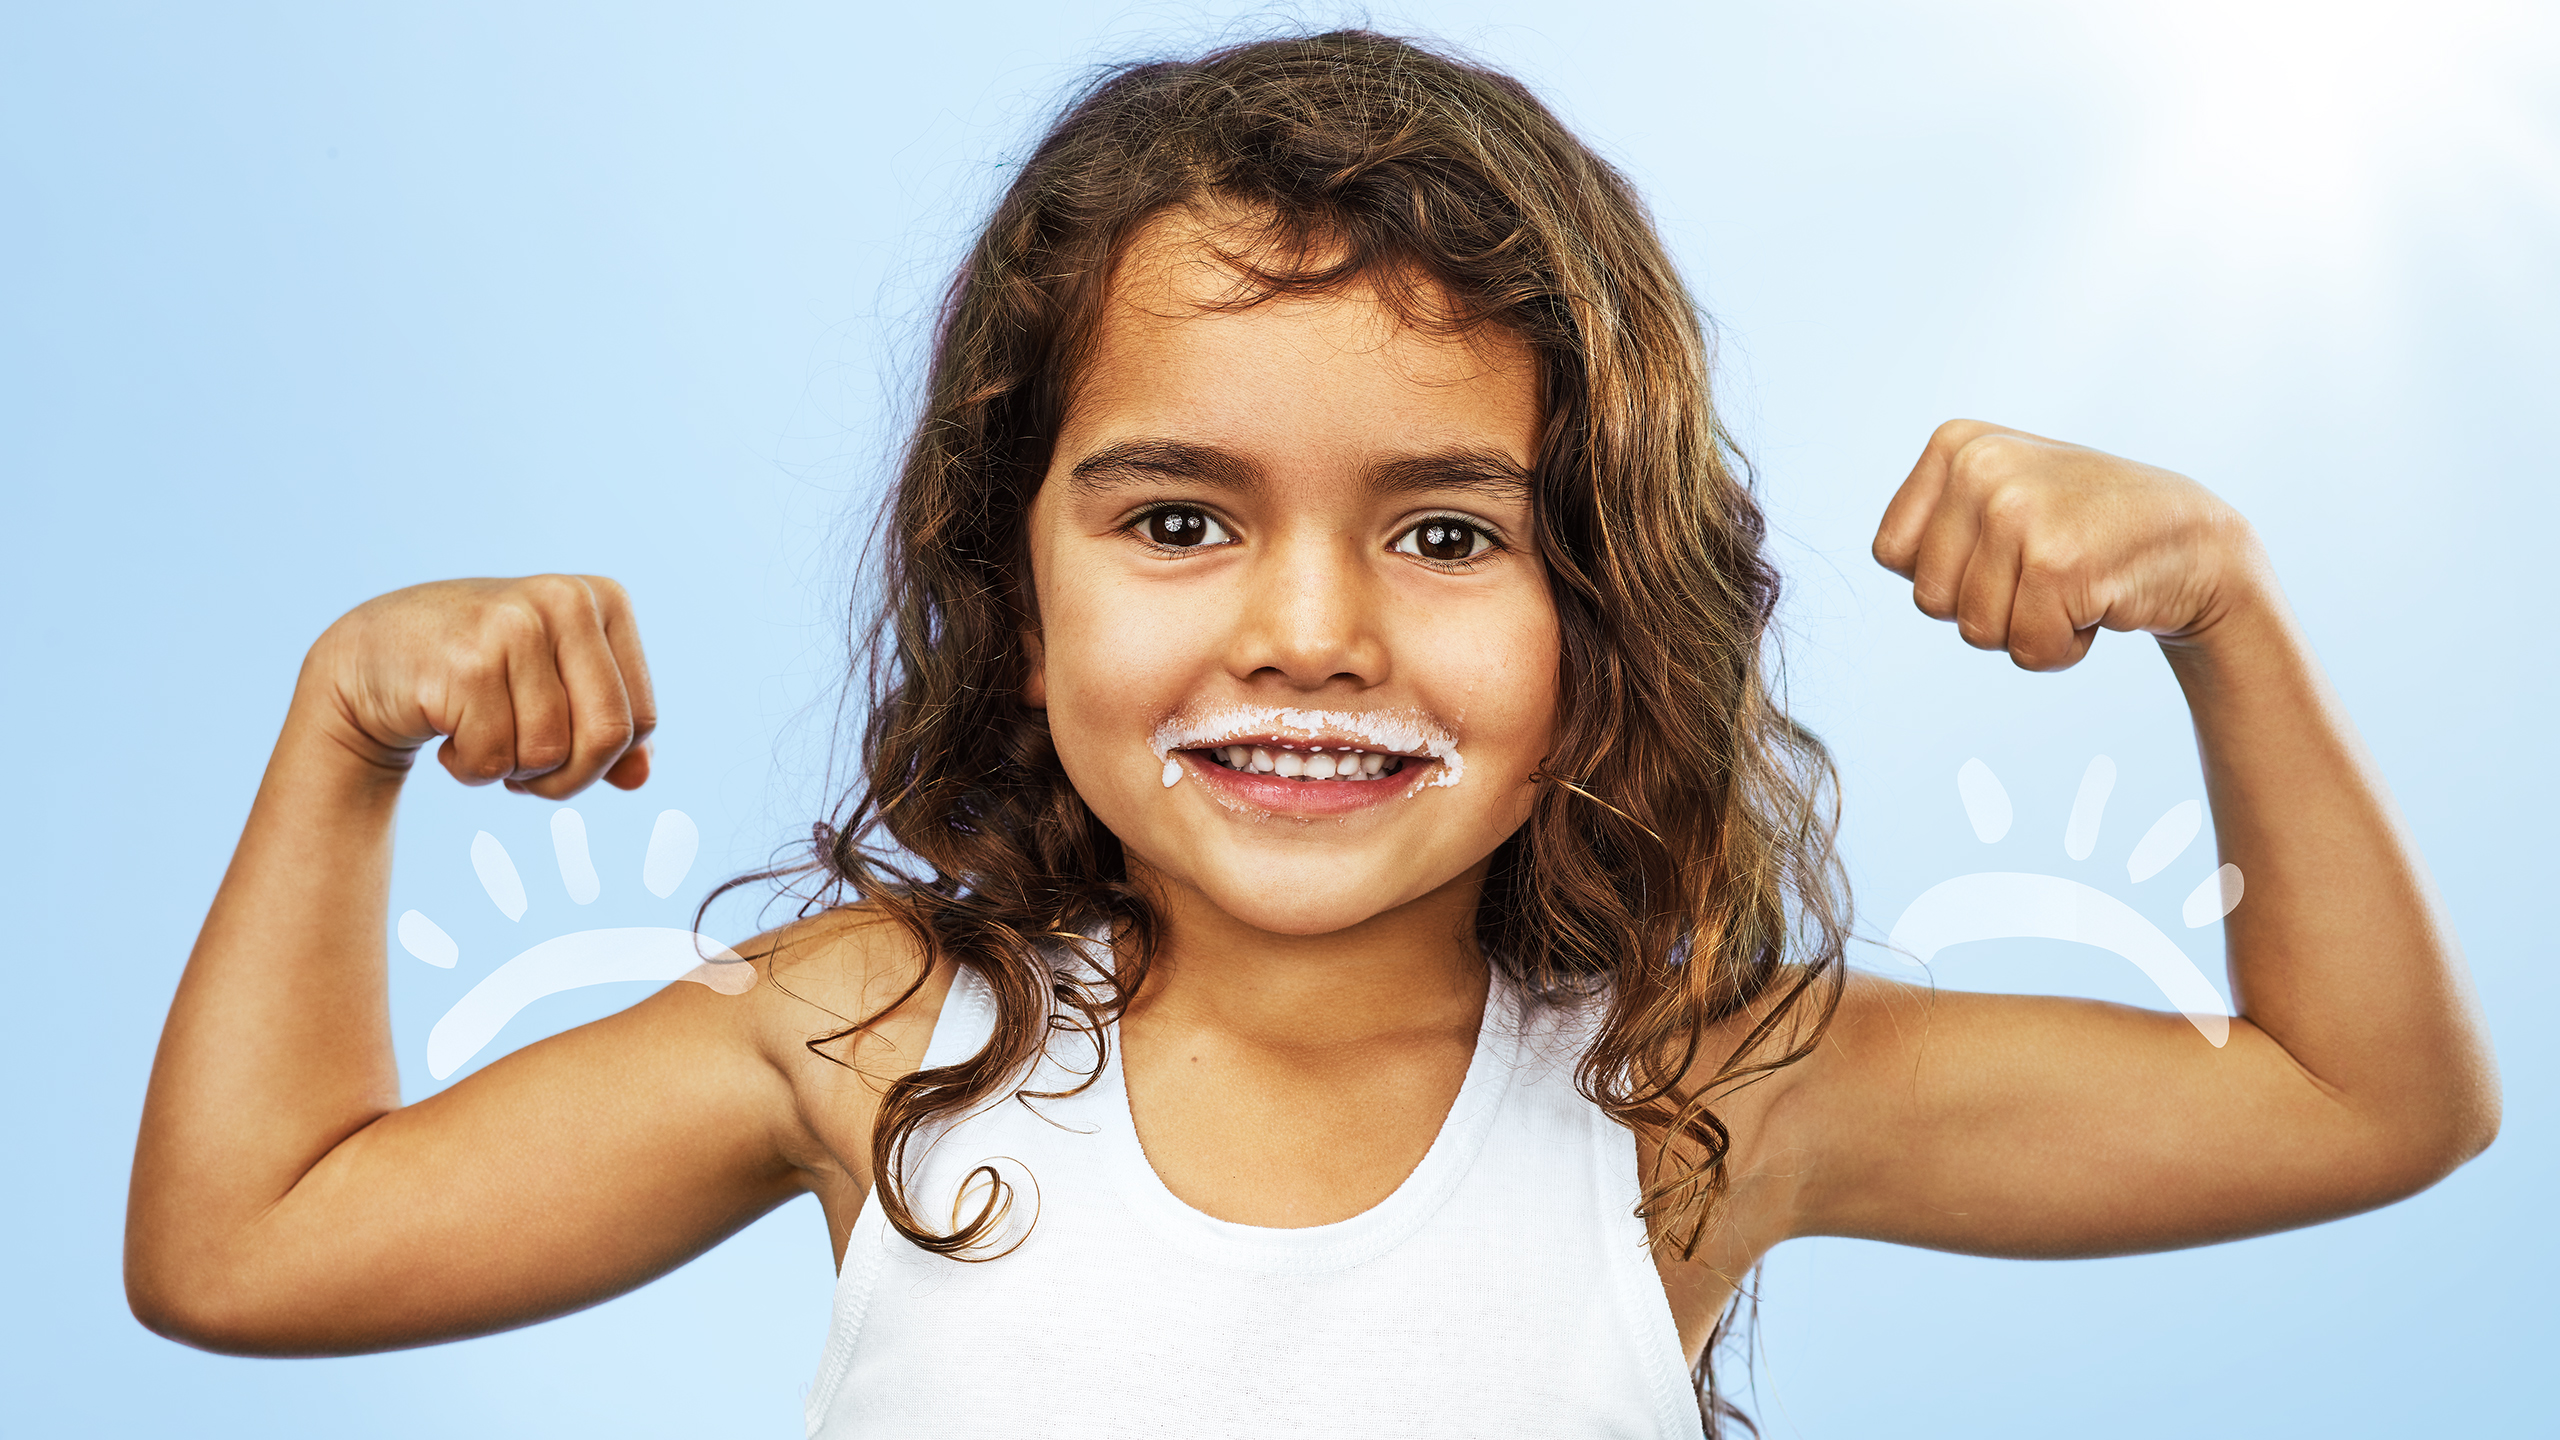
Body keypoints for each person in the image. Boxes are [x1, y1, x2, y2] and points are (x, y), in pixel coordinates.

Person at [125, 30, 2499, 1438]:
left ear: (1607, 607)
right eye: (1175, 514)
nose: (1309, 628)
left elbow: (2361, 1098)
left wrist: (2221, 611)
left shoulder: (1696, 1095)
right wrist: (341, 735)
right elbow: (248, 1252)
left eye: (1448, 536)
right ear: (1007, 575)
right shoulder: (868, 1032)